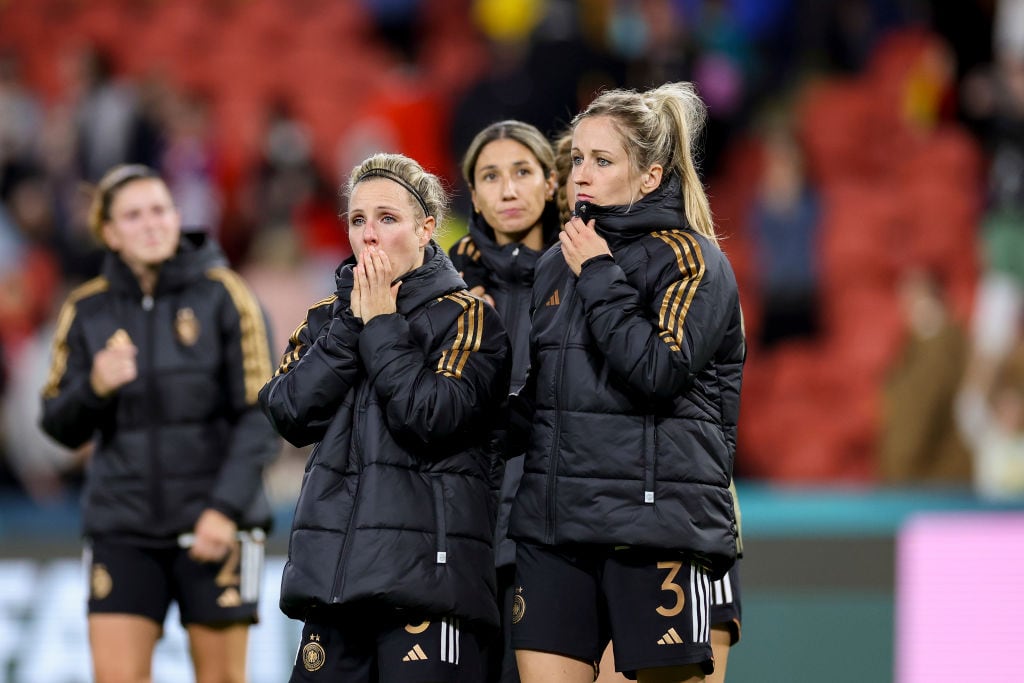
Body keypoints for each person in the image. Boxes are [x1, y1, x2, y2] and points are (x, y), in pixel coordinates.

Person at [509, 82, 745, 683]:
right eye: (578, 159)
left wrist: (598, 271)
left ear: (649, 177)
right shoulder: (554, 264)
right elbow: (546, 399)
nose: (582, 174)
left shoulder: (694, 260)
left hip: (655, 530)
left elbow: (657, 370)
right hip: (555, 529)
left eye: (603, 160)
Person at [259, 152, 512, 683]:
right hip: (335, 585)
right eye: (358, 220)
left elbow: (433, 417)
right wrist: (353, 323)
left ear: (426, 228)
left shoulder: (468, 318)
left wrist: (380, 325)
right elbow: (287, 411)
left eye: (387, 218)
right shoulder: (325, 319)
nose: (369, 234)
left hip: (427, 588)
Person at [39, 163, 280, 683]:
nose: (151, 223)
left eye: (160, 210)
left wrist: (224, 510)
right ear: (109, 232)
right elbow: (57, 424)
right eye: (134, 215)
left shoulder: (226, 294)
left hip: (215, 526)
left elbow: (261, 414)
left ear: (177, 216)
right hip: (123, 528)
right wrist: (95, 386)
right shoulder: (86, 310)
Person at [449, 120, 561, 683]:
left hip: (549, 538)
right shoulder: (442, 288)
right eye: (491, 177)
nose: (508, 190)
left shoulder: (588, 276)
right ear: (474, 195)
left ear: (551, 182)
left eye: (522, 172)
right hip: (459, 539)